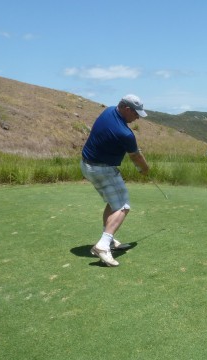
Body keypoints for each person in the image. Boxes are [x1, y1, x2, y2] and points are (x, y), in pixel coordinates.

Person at [81, 94, 150, 266]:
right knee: (123, 206)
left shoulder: (109, 110)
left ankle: (109, 241)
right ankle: (103, 245)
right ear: (127, 109)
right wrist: (145, 169)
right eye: (135, 114)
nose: (137, 118)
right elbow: (136, 158)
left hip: (86, 164)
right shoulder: (125, 133)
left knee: (113, 203)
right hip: (102, 169)